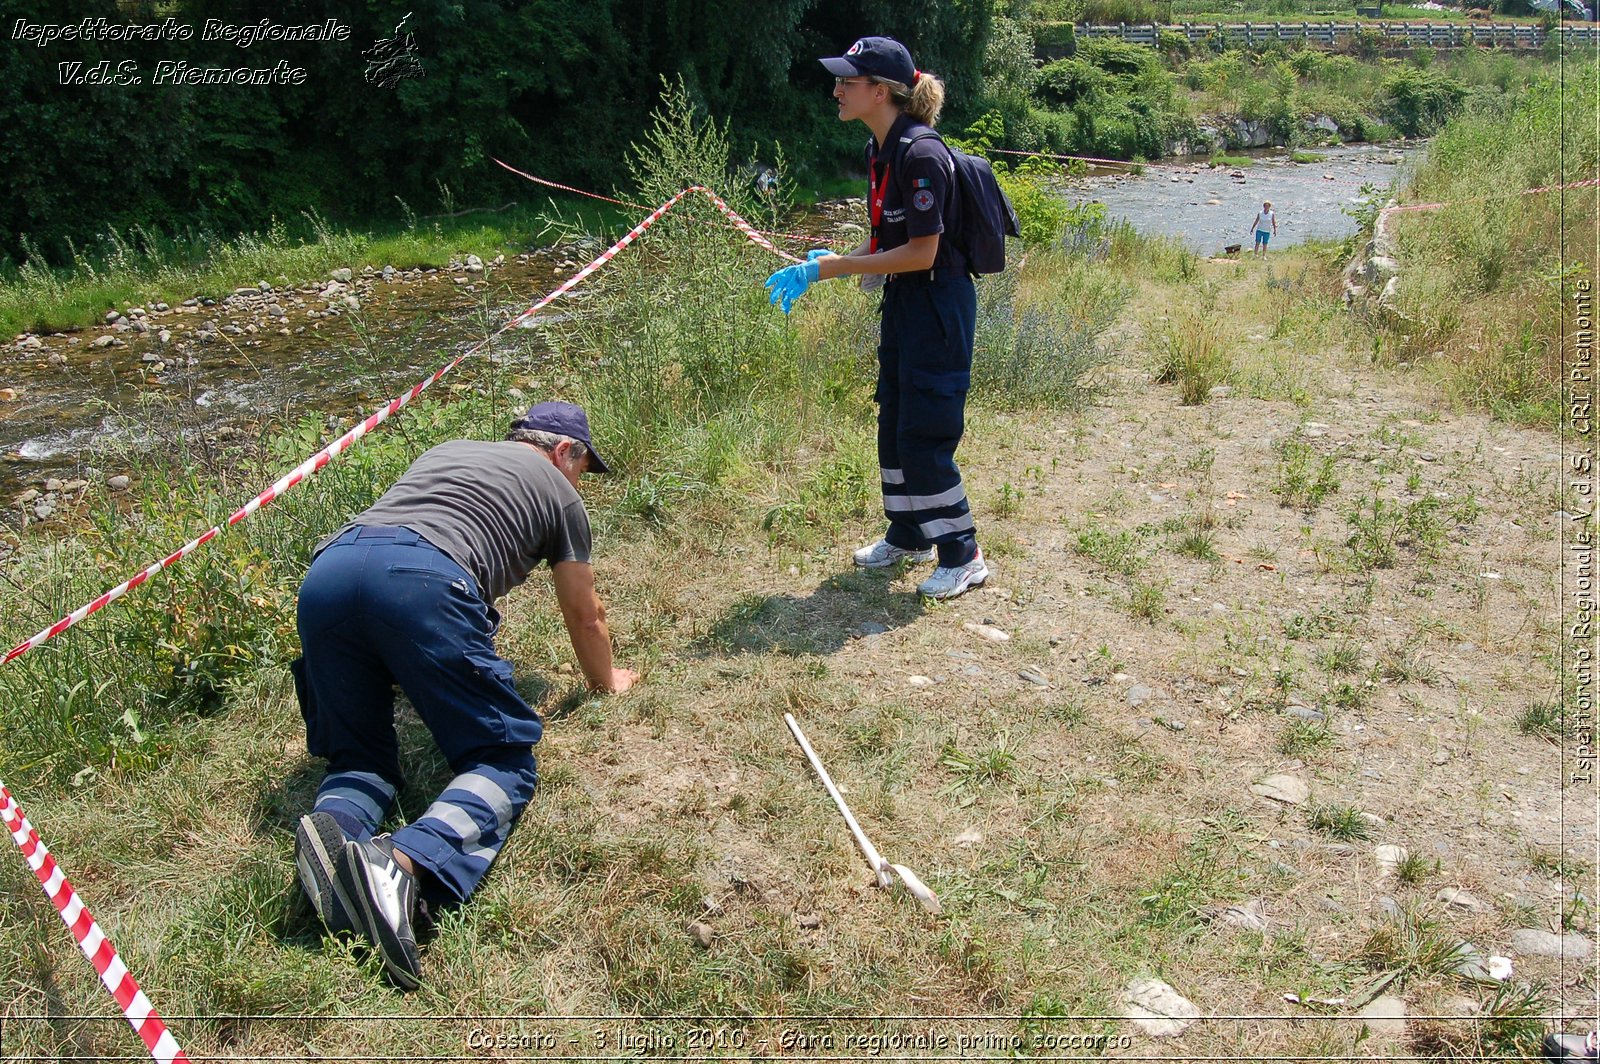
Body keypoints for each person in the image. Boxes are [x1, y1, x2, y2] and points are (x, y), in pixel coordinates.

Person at [290, 400, 637, 989]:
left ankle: (335, 844)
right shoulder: (560, 493)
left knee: (360, 759)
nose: (582, 482)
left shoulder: (446, 452)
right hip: (422, 580)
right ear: (563, 452)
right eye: (583, 468)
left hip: (328, 573)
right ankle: (398, 865)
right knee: (502, 759)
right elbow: (585, 613)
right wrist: (609, 681)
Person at [764, 35, 987, 600]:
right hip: (906, 303)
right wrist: (838, 261)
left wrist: (832, 269)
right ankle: (908, 534)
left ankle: (963, 554)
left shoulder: (922, 155)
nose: (836, 90)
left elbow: (924, 253)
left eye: (848, 81)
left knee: (924, 433)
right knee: (893, 422)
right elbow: (888, 241)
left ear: (882, 92)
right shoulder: (878, 153)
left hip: (939, 306)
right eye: (838, 79)